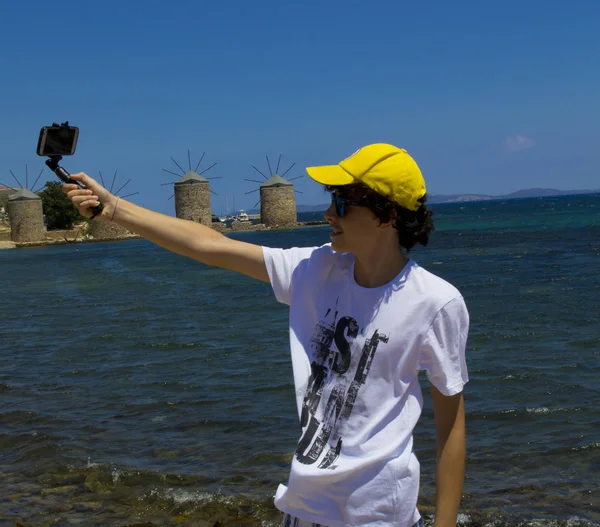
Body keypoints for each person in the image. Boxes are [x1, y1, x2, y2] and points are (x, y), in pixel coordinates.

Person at [64, 143, 469, 527]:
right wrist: (114, 208)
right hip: (303, 506)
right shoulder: (314, 270)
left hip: (380, 514)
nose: (329, 213)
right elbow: (210, 245)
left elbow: (450, 426)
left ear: (387, 216)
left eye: (342, 204)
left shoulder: (436, 303)